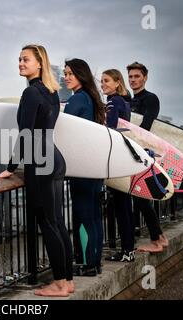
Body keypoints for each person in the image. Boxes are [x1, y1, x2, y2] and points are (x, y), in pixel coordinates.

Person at [0, 44, 74, 297]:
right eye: (19, 59)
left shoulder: (31, 93)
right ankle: (68, 280)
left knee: (48, 223)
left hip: (39, 161)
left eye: (25, 59)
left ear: (39, 63)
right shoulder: (51, 91)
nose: (20, 63)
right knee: (58, 221)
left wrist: (10, 167)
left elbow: (26, 133)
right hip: (54, 158)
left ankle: (60, 284)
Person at [63, 58, 106, 276]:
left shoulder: (77, 100)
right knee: (95, 217)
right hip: (94, 167)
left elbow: (63, 132)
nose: (66, 77)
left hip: (81, 168)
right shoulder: (91, 99)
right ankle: (95, 262)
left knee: (84, 217)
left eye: (70, 73)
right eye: (65, 73)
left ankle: (88, 265)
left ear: (81, 75)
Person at [127, 61, 169, 253]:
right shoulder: (128, 100)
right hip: (132, 153)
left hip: (144, 153)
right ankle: (158, 237)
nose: (133, 80)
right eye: (130, 77)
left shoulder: (151, 99)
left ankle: (157, 239)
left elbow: (146, 126)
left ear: (145, 77)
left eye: (136, 76)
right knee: (139, 197)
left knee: (142, 197)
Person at [101, 69, 135, 262]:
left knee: (121, 207)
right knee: (125, 207)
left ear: (117, 83)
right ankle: (128, 250)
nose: (103, 84)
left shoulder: (113, 102)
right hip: (124, 158)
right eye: (102, 81)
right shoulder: (124, 102)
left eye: (106, 81)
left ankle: (126, 252)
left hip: (116, 159)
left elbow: (111, 131)